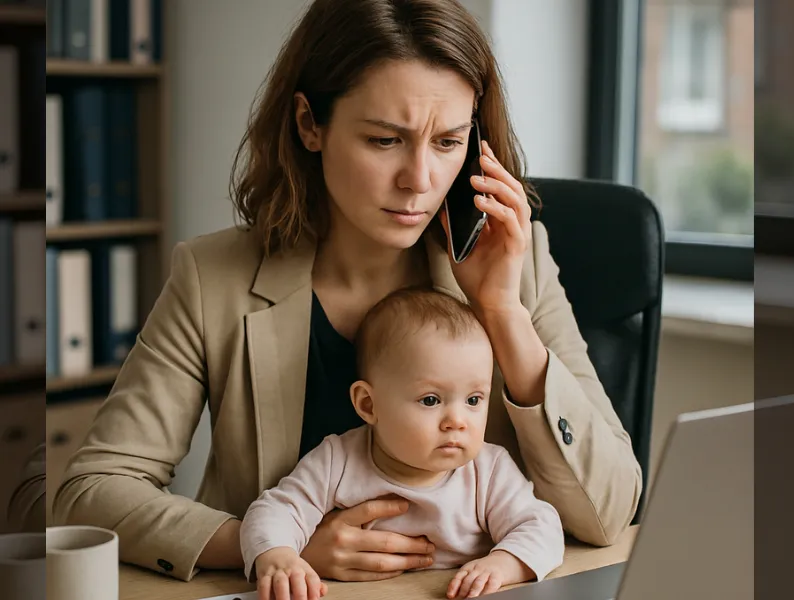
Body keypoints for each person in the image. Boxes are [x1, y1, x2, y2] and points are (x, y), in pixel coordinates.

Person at [53, 0, 642, 584]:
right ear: (310, 124)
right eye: (385, 140)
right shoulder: (215, 277)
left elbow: (611, 511)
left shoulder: (518, 264)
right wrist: (274, 547)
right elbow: (92, 491)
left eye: (447, 142)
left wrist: (502, 312)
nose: (420, 180)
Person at [241, 288, 565, 600]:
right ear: (369, 405)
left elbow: (542, 526)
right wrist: (278, 555)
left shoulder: (488, 470)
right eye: (430, 399)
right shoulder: (336, 461)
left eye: (473, 399)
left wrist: (505, 563)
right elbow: (275, 510)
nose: (457, 420)